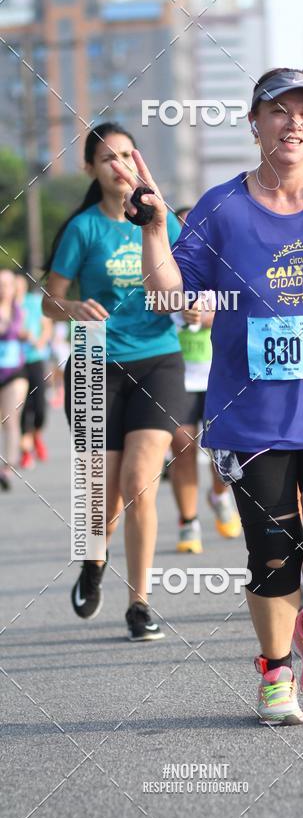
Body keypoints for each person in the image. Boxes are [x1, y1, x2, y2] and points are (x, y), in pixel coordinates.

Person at [113, 67, 303, 725]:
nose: (294, 123)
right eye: (279, 111)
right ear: (255, 123)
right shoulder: (223, 207)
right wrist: (155, 228)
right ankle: (276, 669)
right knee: (274, 554)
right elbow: (169, 298)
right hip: (251, 415)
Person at [42, 122, 185, 640]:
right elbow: (49, 300)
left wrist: (196, 307)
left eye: (127, 155)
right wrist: (73, 307)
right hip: (93, 363)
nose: (120, 166)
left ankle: (139, 604)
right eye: (108, 158)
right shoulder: (83, 229)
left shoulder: (161, 217)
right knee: (101, 496)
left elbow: (189, 282)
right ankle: (93, 559)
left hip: (158, 359)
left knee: (139, 481)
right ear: (91, 169)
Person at [169, 206, 242, 553]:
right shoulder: (166, 269)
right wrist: (181, 314)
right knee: (182, 447)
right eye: (182, 227)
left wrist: (211, 316)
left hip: (218, 375)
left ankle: (218, 495)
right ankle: (188, 523)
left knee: (221, 451)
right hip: (179, 376)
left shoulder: (224, 265)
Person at [18, 275, 53, 468]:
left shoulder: (33, 302)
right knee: (22, 406)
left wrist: (40, 341)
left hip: (36, 358)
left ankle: (36, 433)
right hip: (16, 363)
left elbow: (46, 326)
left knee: (40, 406)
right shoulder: (7, 305)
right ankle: (25, 450)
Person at [0, 269, 28, 491]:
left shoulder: (20, 310)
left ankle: (7, 468)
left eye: (6, 284)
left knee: (10, 419)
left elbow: (26, 332)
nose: (3, 289)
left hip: (15, 372)